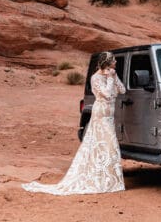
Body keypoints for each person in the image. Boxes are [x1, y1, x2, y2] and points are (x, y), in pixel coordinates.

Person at [23, 52, 126, 195]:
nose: (116, 62)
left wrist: (114, 77)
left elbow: (122, 90)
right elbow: (107, 94)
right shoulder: (95, 77)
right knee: (108, 143)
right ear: (108, 62)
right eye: (113, 60)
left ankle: (109, 180)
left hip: (109, 115)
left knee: (108, 145)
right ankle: (101, 180)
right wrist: (109, 78)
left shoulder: (111, 75)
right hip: (101, 113)